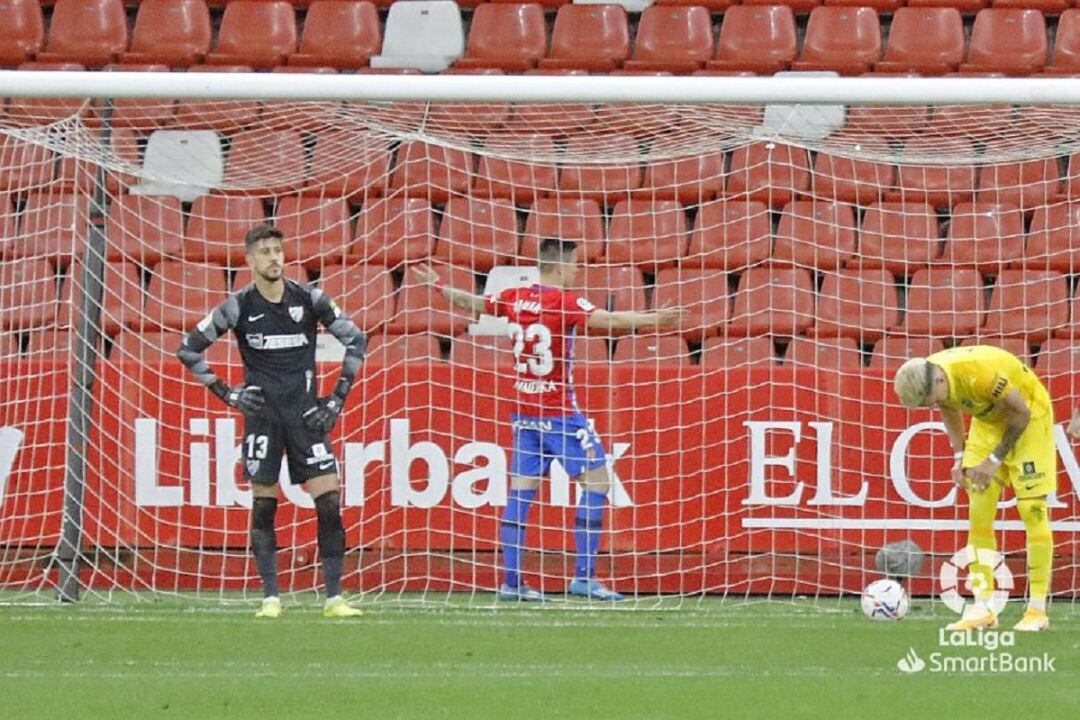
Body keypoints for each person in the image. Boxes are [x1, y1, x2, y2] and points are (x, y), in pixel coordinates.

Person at [411, 239, 681, 601]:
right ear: (559, 267)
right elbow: (611, 321)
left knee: (520, 494)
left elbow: (473, 304)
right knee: (598, 483)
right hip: (560, 413)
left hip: (524, 414)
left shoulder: (514, 297)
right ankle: (584, 577)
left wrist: (439, 287)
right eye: (574, 265)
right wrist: (655, 320)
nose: (577, 271)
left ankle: (512, 583)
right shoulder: (564, 302)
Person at [177, 225, 365, 619]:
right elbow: (188, 349)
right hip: (263, 419)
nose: (274, 258)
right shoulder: (237, 306)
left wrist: (336, 400)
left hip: (305, 417)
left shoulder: (309, 298)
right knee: (264, 506)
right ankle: (271, 598)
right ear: (249, 261)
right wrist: (227, 394)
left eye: (278, 250)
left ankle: (334, 599)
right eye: (265, 252)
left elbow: (356, 339)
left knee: (329, 502)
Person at [894, 345, 1055, 632]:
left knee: (1032, 510)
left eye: (928, 401)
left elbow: (1021, 414)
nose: (930, 406)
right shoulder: (933, 374)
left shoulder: (979, 373)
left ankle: (1037, 610)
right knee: (978, 513)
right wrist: (959, 456)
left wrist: (994, 459)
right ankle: (984, 608)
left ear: (940, 382)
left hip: (1029, 416)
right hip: (987, 424)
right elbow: (948, 407)